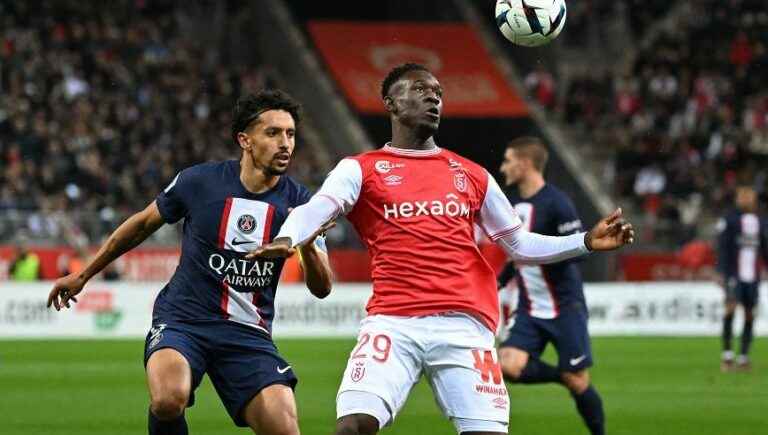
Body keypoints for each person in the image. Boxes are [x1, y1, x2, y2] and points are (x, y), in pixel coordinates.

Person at [251, 63, 634, 435]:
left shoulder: (471, 173)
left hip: (466, 326)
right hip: (393, 322)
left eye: (438, 93)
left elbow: (518, 243)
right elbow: (319, 208)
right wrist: (287, 238)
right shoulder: (361, 168)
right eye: (420, 90)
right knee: (354, 425)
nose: (433, 98)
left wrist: (584, 241)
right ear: (391, 102)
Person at [47, 90, 334, 435]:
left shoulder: (303, 204)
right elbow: (141, 224)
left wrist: (304, 244)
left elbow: (322, 288)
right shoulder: (200, 181)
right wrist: (83, 274)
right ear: (244, 139)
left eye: (290, 134)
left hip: (248, 334)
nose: (285, 143)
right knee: (169, 400)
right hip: (184, 320)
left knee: (285, 430)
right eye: (272, 133)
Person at [495, 137, 605, 435]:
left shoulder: (558, 203)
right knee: (508, 365)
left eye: (508, 160)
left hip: (565, 306)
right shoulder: (511, 206)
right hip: (530, 307)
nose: (503, 167)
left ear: (526, 163)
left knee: (579, 381)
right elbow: (518, 254)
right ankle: (562, 375)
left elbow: (576, 254)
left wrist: (541, 251)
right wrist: (498, 283)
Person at [716, 185, 767, 371]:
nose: (746, 200)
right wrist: (720, 271)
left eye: (749, 197)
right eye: (743, 196)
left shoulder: (761, 221)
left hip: (752, 277)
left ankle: (744, 357)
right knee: (729, 309)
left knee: (749, 314)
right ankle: (727, 356)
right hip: (733, 274)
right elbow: (722, 247)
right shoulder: (729, 220)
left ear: (753, 199)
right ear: (738, 199)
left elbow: (764, 247)